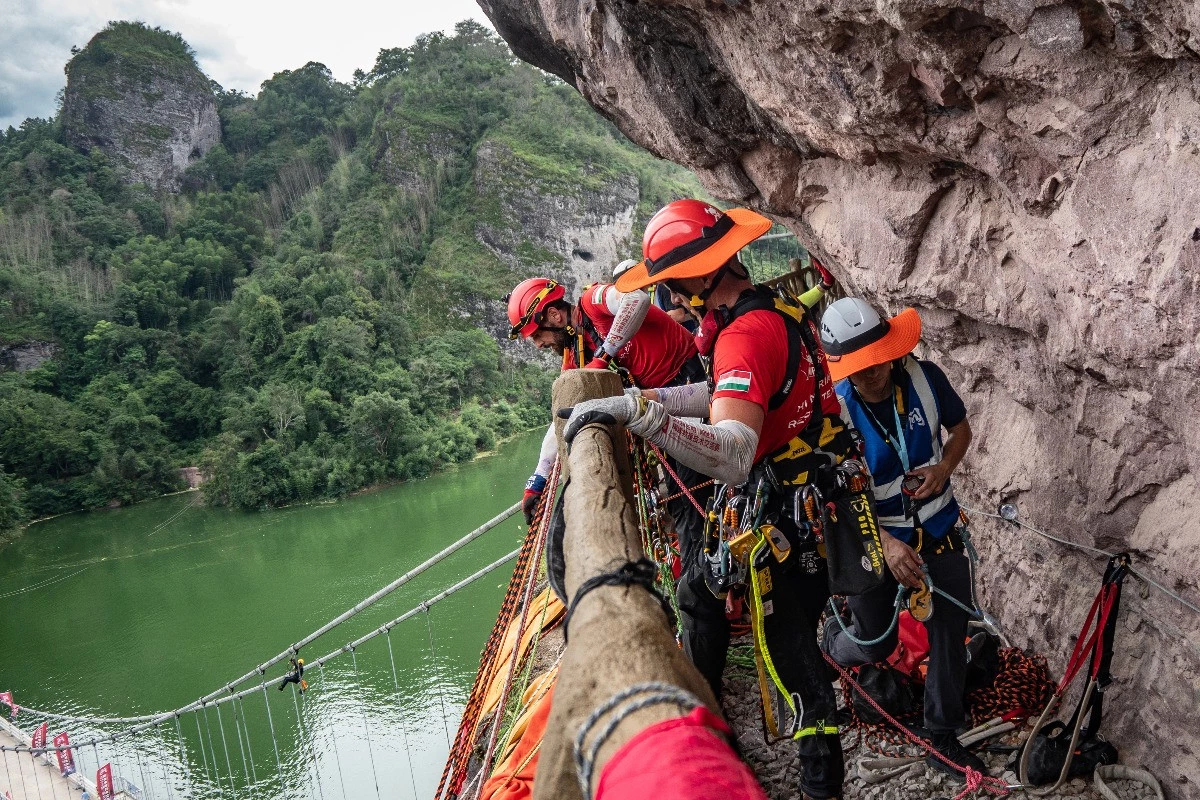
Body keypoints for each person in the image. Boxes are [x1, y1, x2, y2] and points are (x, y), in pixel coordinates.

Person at [561, 199, 861, 800]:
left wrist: (642, 415)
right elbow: (721, 394)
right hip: (807, 492)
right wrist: (639, 405)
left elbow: (731, 451)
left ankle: (819, 782)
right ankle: (716, 707)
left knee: (793, 652)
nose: (669, 293)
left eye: (672, 280)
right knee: (707, 594)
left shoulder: (745, 333)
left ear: (701, 276)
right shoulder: (764, 313)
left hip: (787, 510)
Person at [816, 297, 985, 779]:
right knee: (876, 642)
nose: (874, 374)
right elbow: (841, 500)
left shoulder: (926, 379)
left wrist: (944, 467)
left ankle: (942, 735)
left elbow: (960, 430)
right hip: (873, 538)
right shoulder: (836, 414)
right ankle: (836, 642)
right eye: (860, 368)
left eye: (879, 360)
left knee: (951, 622)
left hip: (936, 523)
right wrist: (887, 546)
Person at [506, 274, 704, 525]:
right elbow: (565, 414)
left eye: (536, 335)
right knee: (681, 502)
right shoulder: (574, 357)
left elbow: (637, 298)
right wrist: (539, 478)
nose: (538, 345)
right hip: (659, 406)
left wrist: (604, 354)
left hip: (688, 382)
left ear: (555, 315)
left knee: (691, 498)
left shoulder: (593, 301)